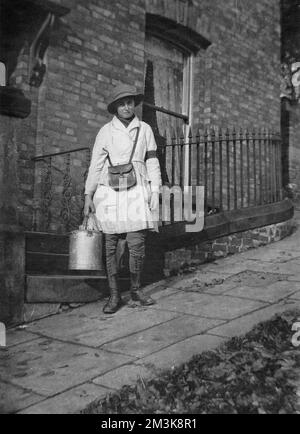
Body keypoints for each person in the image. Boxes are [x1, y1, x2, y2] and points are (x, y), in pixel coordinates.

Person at [84, 84, 162, 314]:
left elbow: (152, 161)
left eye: (129, 102)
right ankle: (114, 294)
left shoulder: (145, 129)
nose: (126, 107)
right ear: (115, 108)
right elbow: (96, 165)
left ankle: (136, 289)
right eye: (122, 103)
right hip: (109, 193)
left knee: (137, 243)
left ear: (134, 104)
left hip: (137, 190)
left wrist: (155, 190)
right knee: (109, 245)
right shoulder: (105, 132)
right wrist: (88, 195)